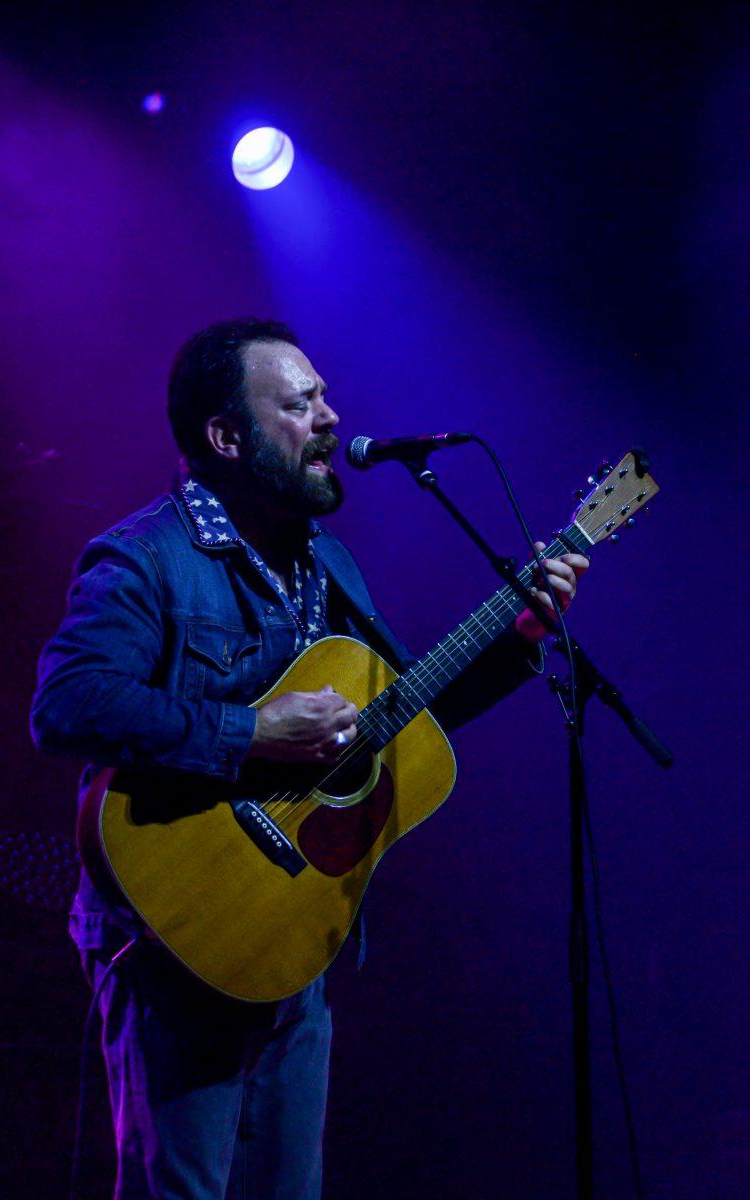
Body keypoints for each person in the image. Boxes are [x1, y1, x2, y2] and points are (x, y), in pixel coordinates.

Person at [31, 318, 588, 1200]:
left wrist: (518, 637)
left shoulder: (326, 564)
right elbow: (68, 704)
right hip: (176, 933)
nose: (332, 419)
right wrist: (252, 733)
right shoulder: (148, 557)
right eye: (300, 403)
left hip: (292, 936)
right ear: (227, 437)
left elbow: (405, 717)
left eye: (326, 396)